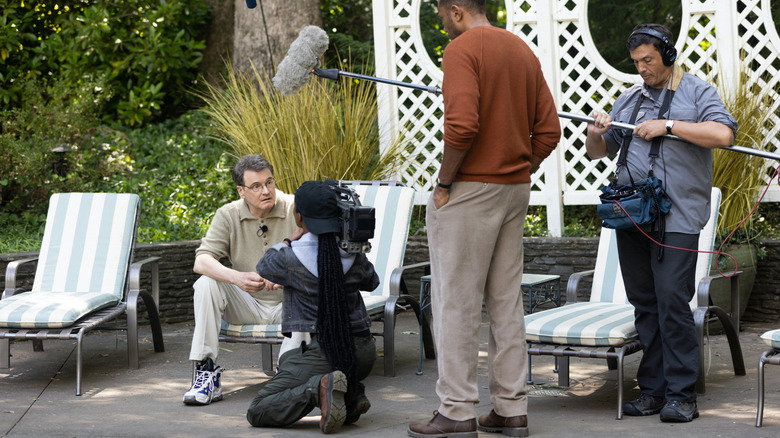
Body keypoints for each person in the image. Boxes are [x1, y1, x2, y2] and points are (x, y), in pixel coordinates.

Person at [408, 1, 561, 437]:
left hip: (469, 190)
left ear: (455, 11)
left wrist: (444, 182)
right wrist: (515, 168)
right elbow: (549, 130)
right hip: (514, 191)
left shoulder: (461, 50)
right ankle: (512, 409)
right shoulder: (520, 50)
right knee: (506, 301)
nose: (443, 24)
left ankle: (456, 412)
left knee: (454, 302)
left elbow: (461, 127)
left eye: (441, 16)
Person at [586, 24, 738, 423]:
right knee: (644, 303)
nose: (643, 69)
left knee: (672, 300)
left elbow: (722, 133)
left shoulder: (697, 92)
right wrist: (594, 131)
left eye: (649, 60)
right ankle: (652, 391)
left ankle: (682, 395)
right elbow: (597, 152)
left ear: (667, 55)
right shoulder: (629, 99)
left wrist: (668, 126)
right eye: (637, 62)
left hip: (679, 217)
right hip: (632, 216)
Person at [246, 180, 379, 434]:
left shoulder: (289, 257)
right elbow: (372, 281)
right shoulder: (354, 255)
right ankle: (351, 392)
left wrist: (288, 240)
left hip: (322, 353)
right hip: (362, 354)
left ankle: (319, 388)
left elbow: (265, 265)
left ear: (298, 216)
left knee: (258, 409)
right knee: (298, 363)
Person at [183, 154, 302, 406]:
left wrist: (287, 274)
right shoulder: (228, 214)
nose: (266, 190)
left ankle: (288, 373)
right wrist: (237, 278)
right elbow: (201, 261)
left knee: (308, 293)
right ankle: (205, 372)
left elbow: (319, 254)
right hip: (247, 304)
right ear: (241, 191)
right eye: (256, 186)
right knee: (206, 281)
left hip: (289, 305)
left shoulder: (295, 208)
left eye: (269, 182)